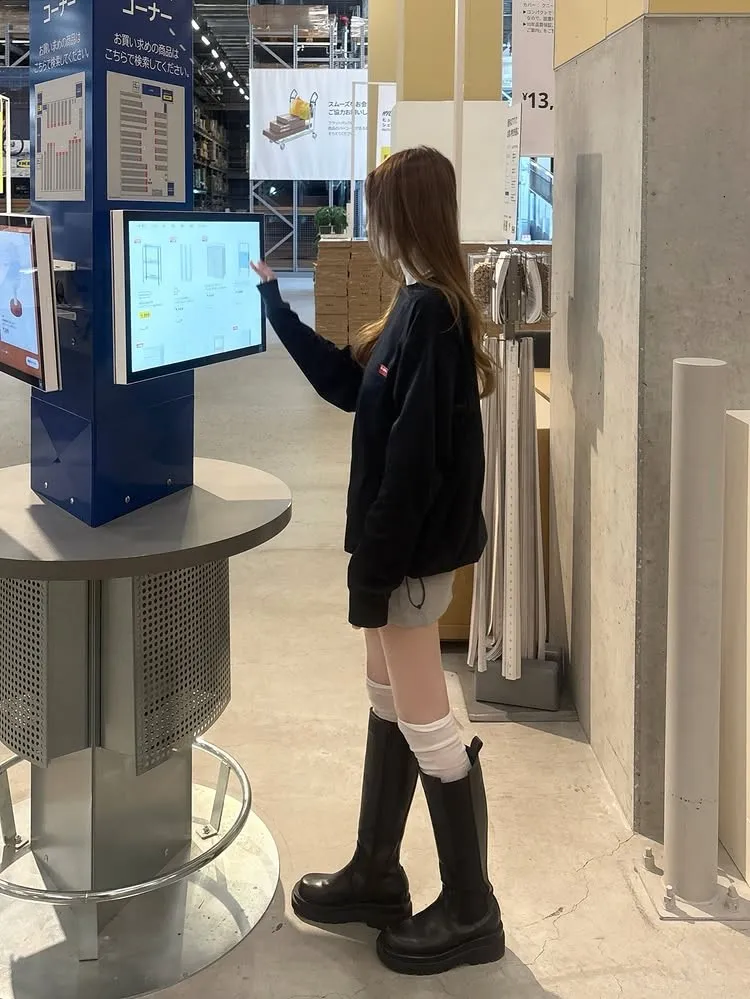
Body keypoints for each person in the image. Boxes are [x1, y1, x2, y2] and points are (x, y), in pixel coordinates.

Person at [251, 146, 503, 976]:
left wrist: (373, 575)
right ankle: (376, 874)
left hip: (408, 562)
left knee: (428, 723)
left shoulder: (433, 315)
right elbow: (349, 386)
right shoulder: (413, 307)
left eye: (377, 210)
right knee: (389, 702)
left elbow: (412, 467)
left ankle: (472, 909)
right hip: (396, 555)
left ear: (406, 216)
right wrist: (275, 307)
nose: (370, 226)